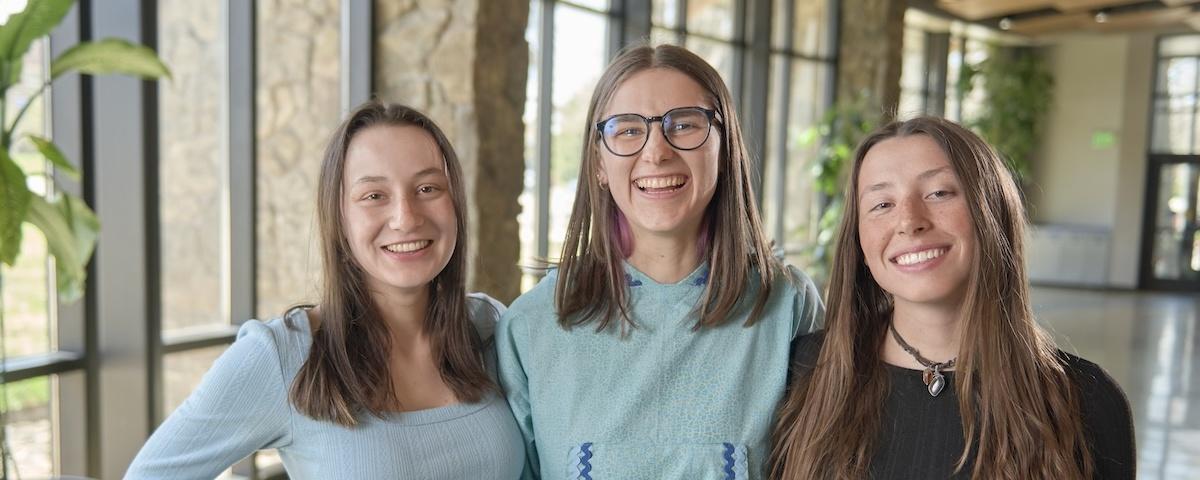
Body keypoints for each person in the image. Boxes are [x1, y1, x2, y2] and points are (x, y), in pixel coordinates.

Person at [126, 101, 525, 479]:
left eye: (427, 189)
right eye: (374, 196)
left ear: (455, 202)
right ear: (340, 216)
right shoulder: (281, 355)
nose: (405, 218)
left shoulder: (489, 327)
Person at [496, 43, 824, 479]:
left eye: (685, 125)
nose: (656, 152)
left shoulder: (786, 305)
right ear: (598, 160)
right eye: (628, 131)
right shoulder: (533, 324)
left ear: (724, 150)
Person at [769, 116, 1135, 479]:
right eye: (882, 204)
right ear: (859, 243)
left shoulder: (1088, 401)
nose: (910, 221)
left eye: (939, 193)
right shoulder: (801, 372)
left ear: (990, 213)